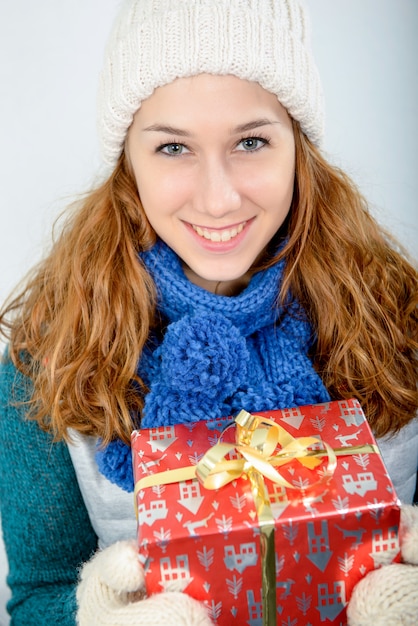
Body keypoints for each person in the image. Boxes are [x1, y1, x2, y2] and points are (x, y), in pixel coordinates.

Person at [0, 0, 417, 624]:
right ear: (127, 162)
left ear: (298, 147)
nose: (218, 198)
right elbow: (39, 594)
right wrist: (92, 615)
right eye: (173, 148)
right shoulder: (48, 355)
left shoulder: (400, 320)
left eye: (251, 141)